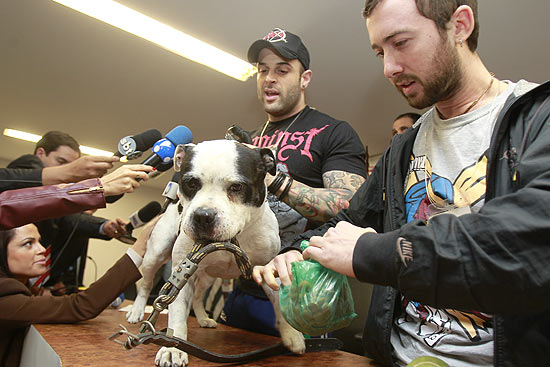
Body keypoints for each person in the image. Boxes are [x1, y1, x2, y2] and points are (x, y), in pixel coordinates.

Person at [253, 1, 550, 366]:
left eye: (401, 43)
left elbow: (528, 243)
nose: (389, 68)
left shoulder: (539, 117)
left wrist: (369, 253)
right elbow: (352, 220)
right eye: (380, 51)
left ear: (460, 25)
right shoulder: (403, 148)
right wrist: (299, 250)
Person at [220, 28, 367, 335]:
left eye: (282, 70)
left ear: (305, 78)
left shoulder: (334, 132)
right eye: (263, 71)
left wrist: (271, 178)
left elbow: (351, 208)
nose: (269, 79)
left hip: (302, 298)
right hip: (242, 290)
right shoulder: (247, 141)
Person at [0, 163, 154, 367]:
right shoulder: (5, 300)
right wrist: (140, 248)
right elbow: (80, 306)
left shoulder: (19, 288)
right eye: (28, 244)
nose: (41, 250)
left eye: (38, 241)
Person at [6, 131, 128, 292]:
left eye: (72, 165)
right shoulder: (26, 166)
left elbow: (67, 219)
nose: (70, 170)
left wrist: (104, 226)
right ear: (40, 153)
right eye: (61, 162)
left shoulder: (54, 208)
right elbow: (42, 194)